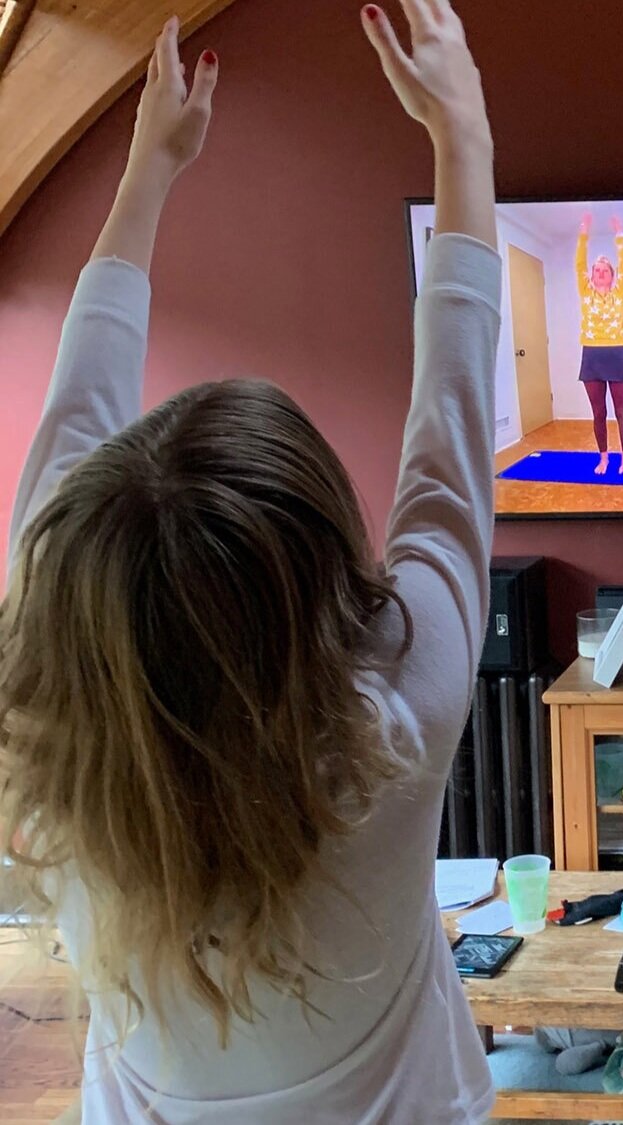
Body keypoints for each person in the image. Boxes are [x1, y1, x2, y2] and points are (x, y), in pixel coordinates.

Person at [0, 4, 502, 1121]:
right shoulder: (398, 721)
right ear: (333, 571)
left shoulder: (47, 746)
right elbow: (453, 442)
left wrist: (146, 177)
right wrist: (460, 134)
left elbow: (447, 462)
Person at [576, 213, 623, 474]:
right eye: (596, 270)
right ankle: (603, 458)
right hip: (592, 356)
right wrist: (584, 232)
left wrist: (620, 235)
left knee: (621, 409)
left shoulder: (618, 293)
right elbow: (579, 264)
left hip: (615, 354)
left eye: (604, 271)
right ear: (592, 275)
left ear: (611, 276)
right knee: (599, 412)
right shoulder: (586, 292)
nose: (600, 273)